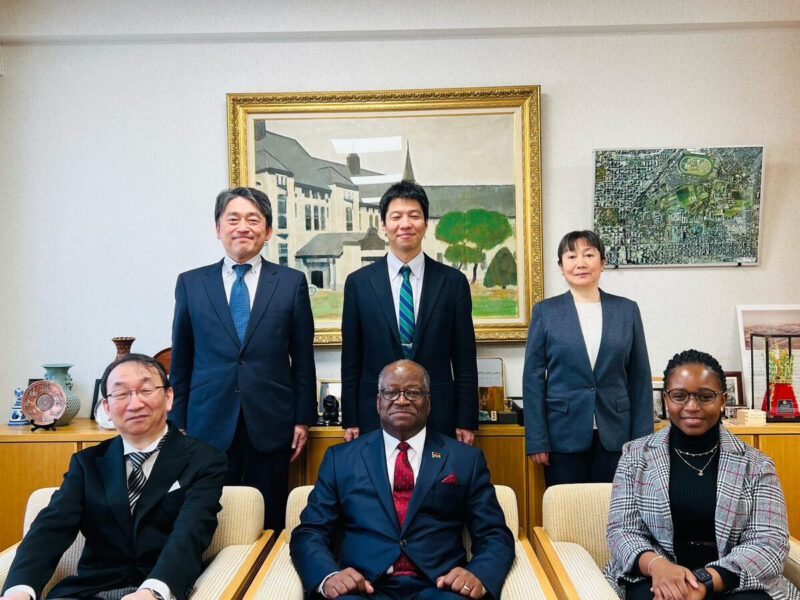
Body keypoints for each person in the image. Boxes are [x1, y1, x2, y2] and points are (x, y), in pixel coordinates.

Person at [1, 353, 226, 600]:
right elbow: (50, 529)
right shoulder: (87, 464)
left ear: (168, 397)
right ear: (107, 408)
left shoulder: (205, 460)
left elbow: (191, 532)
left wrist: (153, 591)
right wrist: (19, 591)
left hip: (159, 590)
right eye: (121, 394)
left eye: (145, 390)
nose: (135, 403)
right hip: (89, 591)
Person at [290, 360, 514, 600]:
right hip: (363, 588)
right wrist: (329, 577)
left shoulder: (465, 459)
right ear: (378, 402)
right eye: (391, 392)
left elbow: (495, 535)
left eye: (413, 392)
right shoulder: (340, 459)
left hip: (439, 587)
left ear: (428, 403)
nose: (402, 400)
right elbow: (310, 532)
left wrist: (477, 574)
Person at [169, 186, 316, 530]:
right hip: (207, 421)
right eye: (232, 219)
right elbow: (182, 359)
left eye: (253, 220)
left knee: (269, 518)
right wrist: (178, 421)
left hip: (271, 421)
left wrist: (302, 419)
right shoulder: (191, 284)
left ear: (267, 231)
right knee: (209, 517)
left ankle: (266, 580)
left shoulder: (290, 283)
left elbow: (303, 359)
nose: (242, 227)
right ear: (218, 229)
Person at [605, 349, 800, 600]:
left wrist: (705, 581)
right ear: (666, 399)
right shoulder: (635, 456)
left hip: (733, 580)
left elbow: (769, 543)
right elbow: (622, 531)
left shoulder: (757, 465)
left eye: (705, 396)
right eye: (679, 396)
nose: (692, 406)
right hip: (657, 576)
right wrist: (657, 566)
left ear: (723, 400)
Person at [341, 180, 478, 445]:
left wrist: (466, 419)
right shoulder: (358, 283)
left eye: (414, 216)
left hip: (438, 412)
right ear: (383, 225)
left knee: (436, 484)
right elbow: (351, 359)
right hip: (374, 413)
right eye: (396, 216)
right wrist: (351, 418)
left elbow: (464, 359)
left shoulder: (452, 283)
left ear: (426, 224)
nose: (405, 224)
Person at [523, 230, 652, 485]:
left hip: (618, 436)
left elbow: (640, 378)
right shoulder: (546, 312)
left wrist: (643, 441)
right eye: (571, 256)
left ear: (602, 263)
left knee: (615, 512)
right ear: (561, 266)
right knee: (567, 513)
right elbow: (533, 379)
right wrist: (537, 439)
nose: (580, 263)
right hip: (562, 437)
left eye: (589, 255)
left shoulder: (626, 310)